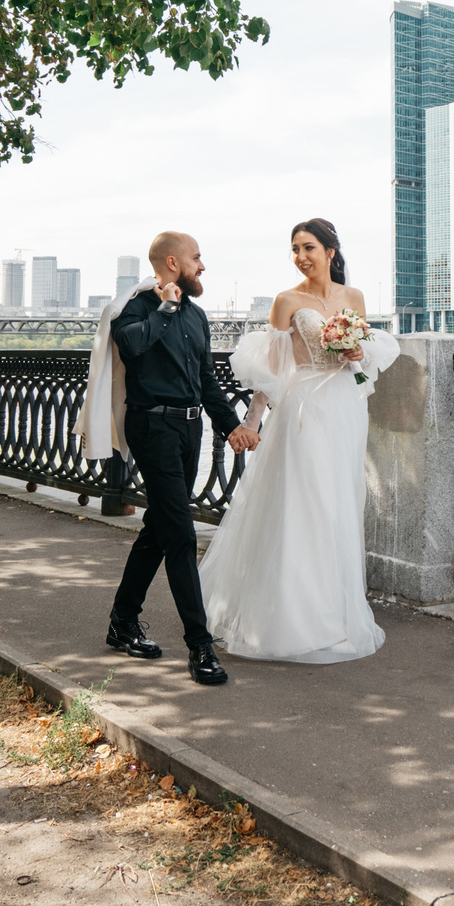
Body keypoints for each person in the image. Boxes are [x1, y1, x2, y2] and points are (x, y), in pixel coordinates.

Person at [199, 218, 400, 664]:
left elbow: (363, 370)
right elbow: (270, 370)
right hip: (304, 410)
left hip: (346, 411)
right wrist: (251, 423)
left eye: (309, 247)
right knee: (302, 505)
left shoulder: (354, 299)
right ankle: (293, 619)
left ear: (331, 250)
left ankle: (335, 615)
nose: (301, 256)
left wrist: (357, 355)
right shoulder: (286, 301)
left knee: (337, 506)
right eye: (295, 249)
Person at [79, 230, 256, 688]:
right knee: (179, 532)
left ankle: (122, 621)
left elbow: (207, 383)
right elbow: (133, 346)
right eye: (197, 258)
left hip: (189, 427)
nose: (204, 266)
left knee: (159, 527)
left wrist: (231, 426)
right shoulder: (134, 307)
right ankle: (199, 645)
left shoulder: (197, 318)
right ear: (173, 263)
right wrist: (166, 307)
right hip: (151, 426)